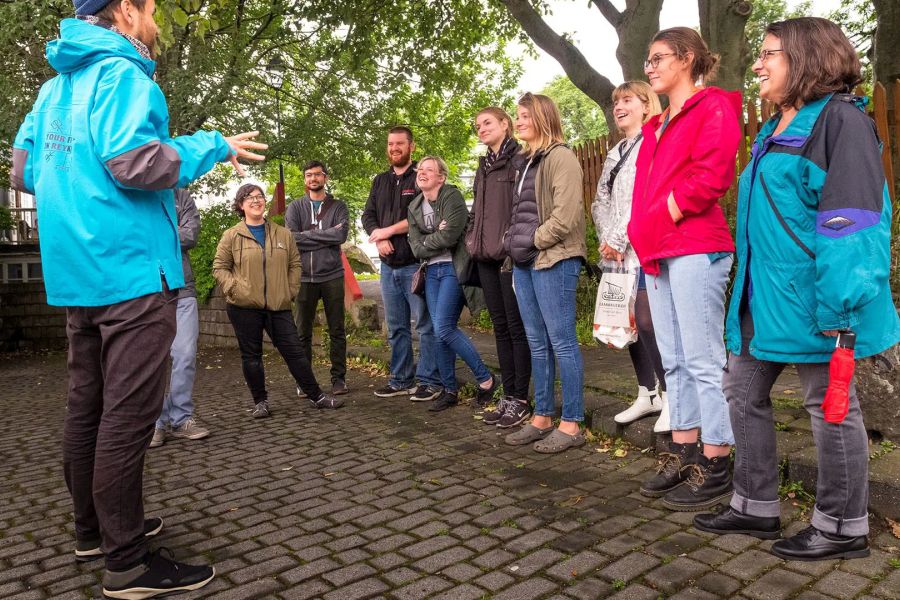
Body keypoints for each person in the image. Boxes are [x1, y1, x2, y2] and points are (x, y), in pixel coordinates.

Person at [10, 0, 265, 596]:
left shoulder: (53, 89)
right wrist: (211, 146)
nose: (152, 19)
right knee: (128, 415)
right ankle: (126, 562)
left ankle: (93, 530)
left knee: (87, 407)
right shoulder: (122, 72)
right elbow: (135, 162)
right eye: (149, 7)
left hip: (77, 274)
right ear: (126, 9)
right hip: (129, 270)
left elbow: (24, 171)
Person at [694, 17, 900, 560]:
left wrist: (841, 308)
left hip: (820, 302)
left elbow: (854, 222)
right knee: (741, 392)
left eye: (768, 53)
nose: (757, 64)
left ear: (807, 56)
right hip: (763, 298)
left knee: (828, 406)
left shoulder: (840, 122)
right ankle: (754, 505)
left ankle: (842, 526)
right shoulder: (778, 125)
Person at [628, 27, 741, 510]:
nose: (649, 67)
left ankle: (718, 461)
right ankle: (685, 451)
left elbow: (712, 174)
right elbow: (643, 193)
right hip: (658, 251)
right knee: (671, 360)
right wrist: (642, 231)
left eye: (659, 58)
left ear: (688, 59)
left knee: (701, 358)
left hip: (695, 245)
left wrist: (666, 214)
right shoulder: (655, 125)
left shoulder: (712, 107)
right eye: (648, 60)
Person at [502, 93, 587, 453]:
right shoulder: (523, 161)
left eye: (524, 116)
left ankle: (572, 423)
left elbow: (565, 217)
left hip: (554, 259)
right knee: (537, 341)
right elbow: (521, 211)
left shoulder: (561, 157)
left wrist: (532, 240)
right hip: (524, 262)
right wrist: (513, 242)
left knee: (562, 342)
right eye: (517, 116)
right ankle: (542, 416)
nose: (518, 122)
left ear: (542, 117)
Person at [213, 184, 343, 417]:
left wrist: (290, 290)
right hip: (243, 306)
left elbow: (295, 264)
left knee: (295, 352)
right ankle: (260, 402)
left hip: (278, 305)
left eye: (259, 196)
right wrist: (234, 288)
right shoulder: (232, 235)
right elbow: (220, 267)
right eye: (249, 198)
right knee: (251, 356)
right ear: (240, 205)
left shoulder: (283, 233)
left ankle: (316, 396)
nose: (256, 201)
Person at [590, 82, 667, 430]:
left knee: (648, 320)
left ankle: (671, 395)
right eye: (616, 101)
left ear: (646, 105)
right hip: (616, 253)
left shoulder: (653, 142)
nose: (619, 106)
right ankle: (646, 393)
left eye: (627, 100)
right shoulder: (616, 150)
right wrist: (608, 239)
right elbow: (599, 201)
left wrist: (619, 238)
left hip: (643, 248)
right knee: (626, 323)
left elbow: (644, 196)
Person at [407, 156, 498, 412]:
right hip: (431, 271)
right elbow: (415, 247)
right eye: (419, 169)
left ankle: (486, 379)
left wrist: (428, 240)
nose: (421, 173)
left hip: (452, 269)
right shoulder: (414, 205)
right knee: (438, 332)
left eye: (428, 169)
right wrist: (431, 238)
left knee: (445, 328)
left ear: (441, 177)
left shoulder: (452, 197)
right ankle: (449, 389)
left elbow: (450, 236)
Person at [362, 126, 442, 401]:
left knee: (424, 324)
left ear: (411, 146)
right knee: (396, 327)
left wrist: (388, 231)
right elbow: (367, 215)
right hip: (388, 265)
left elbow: (419, 217)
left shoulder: (420, 177)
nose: (394, 148)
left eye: (399, 144)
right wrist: (379, 238)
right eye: (390, 144)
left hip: (415, 264)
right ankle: (401, 379)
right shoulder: (380, 180)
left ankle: (429, 381)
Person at [467, 107, 532, 428]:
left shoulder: (519, 159)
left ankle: (521, 398)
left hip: (509, 256)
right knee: (500, 328)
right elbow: (478, 211)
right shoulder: (483, 165)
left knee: (517, 328)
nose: (481, 129)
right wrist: (471, 241)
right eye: (478, 125)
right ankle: (508, 395)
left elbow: (523, 208)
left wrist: (512, 244)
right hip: (484, 257)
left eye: (487, 123)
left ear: (505, 124)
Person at [285, 161, 350, 397]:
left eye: (318, 175)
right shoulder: (295, 208)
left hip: (332, 275)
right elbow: (292, 239)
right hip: (303, 277)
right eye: (309, 175)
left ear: (325, 177)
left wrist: (308, 235)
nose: (313, 178)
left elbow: (340, 235)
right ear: (305, 180)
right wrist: (325, 236)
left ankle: (339, 379)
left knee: (337, 330)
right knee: (301, 332)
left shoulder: (338, 206)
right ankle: (305, 382)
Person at [150, 189, 209, 448]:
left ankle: (182, 418)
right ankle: (156, 422)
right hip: (145, 291)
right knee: (153, 359)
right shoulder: (134, 191)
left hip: (182, 287)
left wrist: (151, 235)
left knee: (184, 354)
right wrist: (171, 231)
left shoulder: (182, 196)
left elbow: (190, 235)